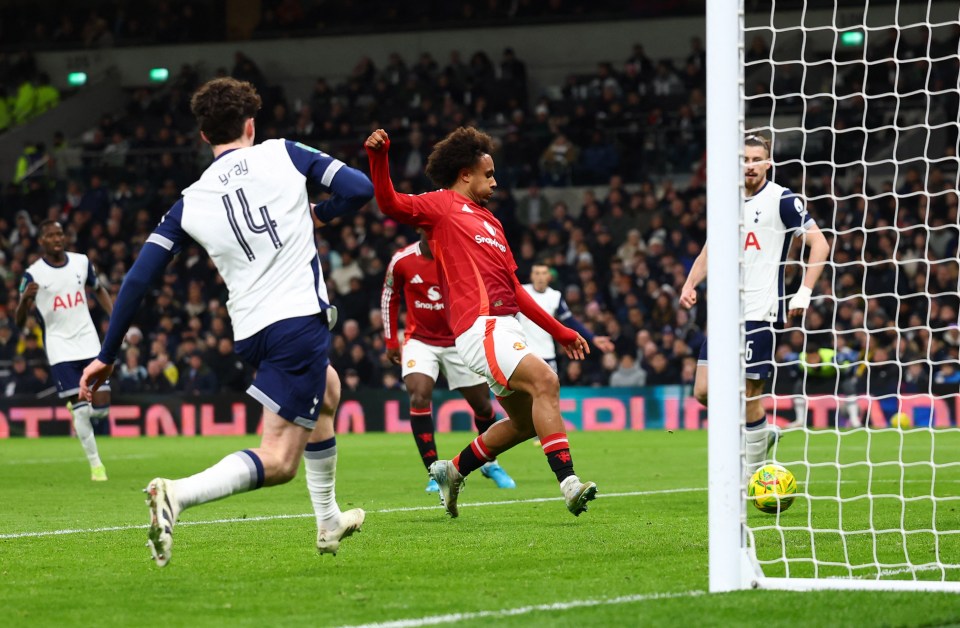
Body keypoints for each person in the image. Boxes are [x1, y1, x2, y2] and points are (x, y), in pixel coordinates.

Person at [79, 77, 374, 566]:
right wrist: (318, 212)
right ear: (251, 124)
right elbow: (360, 189)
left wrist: (105, 356)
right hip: (297, 320)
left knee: (329, 389)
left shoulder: (189, 200)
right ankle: (177, 494)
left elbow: (135, 282)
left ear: (203, 137)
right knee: (278, 461)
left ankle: (328, 521)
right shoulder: (283, 151)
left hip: (252, 331)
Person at [365, 126, 598, 518]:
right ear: (465, 173)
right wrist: (379, 157)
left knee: (523, 423)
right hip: (481, 327)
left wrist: (558, 330)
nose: (495, 181)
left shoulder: (493, 223)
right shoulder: (441, 206)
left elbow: (516, 289)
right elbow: (389, 204)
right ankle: (569, 482)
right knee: (546, 382)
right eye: (488, 174)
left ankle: (453, 471)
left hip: (505, 326)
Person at [680, 134, 830, 478]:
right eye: (744, 159)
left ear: (768, 163)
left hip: (760, 310)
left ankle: (752, 473)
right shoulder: (725, 200)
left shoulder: (782, 199)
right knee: (704, 391)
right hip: (723, 314)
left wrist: (804, 292)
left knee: (749, 390)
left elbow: (819, 243)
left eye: (756, 159)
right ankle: (761, 433)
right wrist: (690, 284)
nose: (749, 165)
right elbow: (709, 249)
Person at [382, 231, 516, 493]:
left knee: (482, 406)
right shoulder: (402, 260)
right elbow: (390, 294)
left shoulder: (461, 257)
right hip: (419, 341)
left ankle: (490, 463)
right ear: (420, 228)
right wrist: (389, 340)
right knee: (419, 396)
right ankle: (435, 473)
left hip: (460, 339)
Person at [16, 220, 113, 481]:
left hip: (88, 341)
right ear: (42, 241)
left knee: (102, 408)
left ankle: (78, 409)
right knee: (82, 411)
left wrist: (116, 321)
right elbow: (19, 319)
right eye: (50, 235)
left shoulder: (81, 262)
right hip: (60, 347)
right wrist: (25, 300)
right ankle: (96, 466)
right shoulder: (33, 274)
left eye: (59, 233)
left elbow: (99, 289)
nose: (57, 238)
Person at [518, 262, 615, 372]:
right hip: (524, 353)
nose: (540, 277)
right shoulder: (521, 291)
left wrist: (593, 337)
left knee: (550, 389)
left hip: (547, 354)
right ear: (531, 276)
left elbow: (571, 321)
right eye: (537, 273)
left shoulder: (555, 296)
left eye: (544, 273)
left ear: (549, 276)